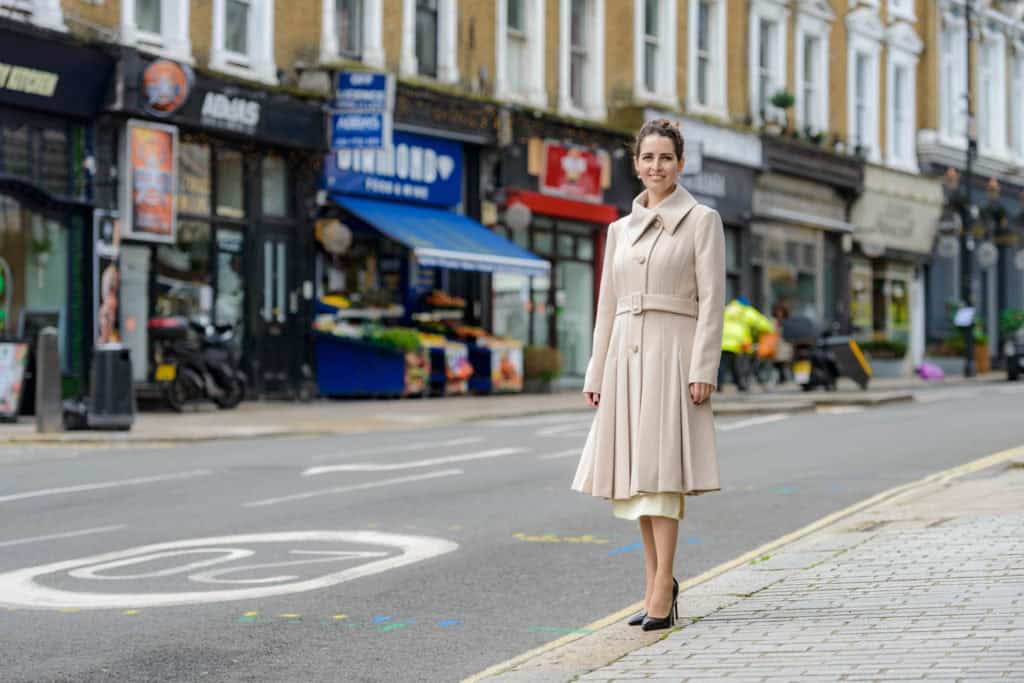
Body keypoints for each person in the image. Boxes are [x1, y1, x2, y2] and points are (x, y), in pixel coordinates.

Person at [573, 119, 726, 632]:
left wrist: (704, 366)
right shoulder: (618, 230)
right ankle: (654, 581)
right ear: (635, 164)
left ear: (680, 163)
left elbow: (712, 303)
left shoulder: (702, 220)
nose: (655, 166)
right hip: (625, 359)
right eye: (647, 158)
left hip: (673, 357)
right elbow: (606, 306)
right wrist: (597, 369)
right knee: (636, 482)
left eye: (665, 157)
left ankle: (664, 585)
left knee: (661, 476)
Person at [720, 297, 775, 390]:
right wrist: (769, 330)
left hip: (723, 341)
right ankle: (740, 383)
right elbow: (763, 323)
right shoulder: (746, 311)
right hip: (739, 342)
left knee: (722, 365)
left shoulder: (726, 309)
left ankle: (719, 384)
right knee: (739, 364)